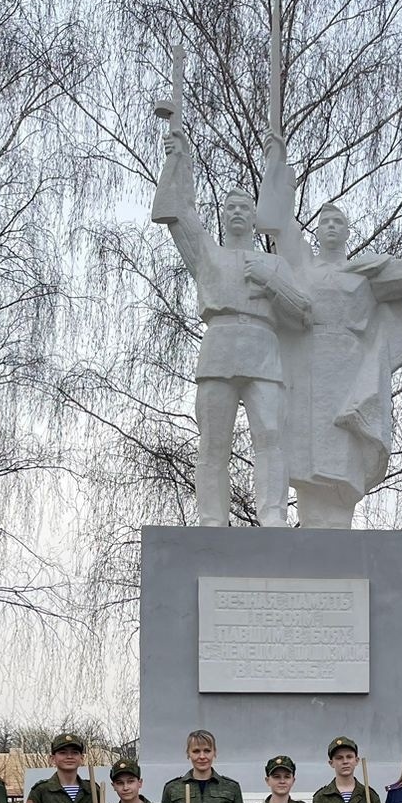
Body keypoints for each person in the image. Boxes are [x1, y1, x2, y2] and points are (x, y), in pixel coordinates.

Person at [257, 134, 402, 528]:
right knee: (304, 455)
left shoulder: (365, 272)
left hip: (348, 371)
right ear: (316, 232)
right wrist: (275, 168)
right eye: (325, 222)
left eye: (339, 222)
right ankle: (313, 531)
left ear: (348, 232)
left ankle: (336, 535)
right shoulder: (301, 265)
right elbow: (277, 222)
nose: (331, 226)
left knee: (341, 458)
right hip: (306, 368)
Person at [152, 129, 311, 527]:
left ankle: (272, 515)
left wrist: (270, 282)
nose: (238, 212)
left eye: (245, 207)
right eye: (231, 207)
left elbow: (303, 314)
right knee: (213, 443)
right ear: (223, 215)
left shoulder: (273, 264)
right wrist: (178, 160)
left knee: (271, 437)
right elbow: (177, 213)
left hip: (262, 349)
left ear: (254, 217)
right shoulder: (209, 255)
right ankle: (211, 519)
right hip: (220, 346)